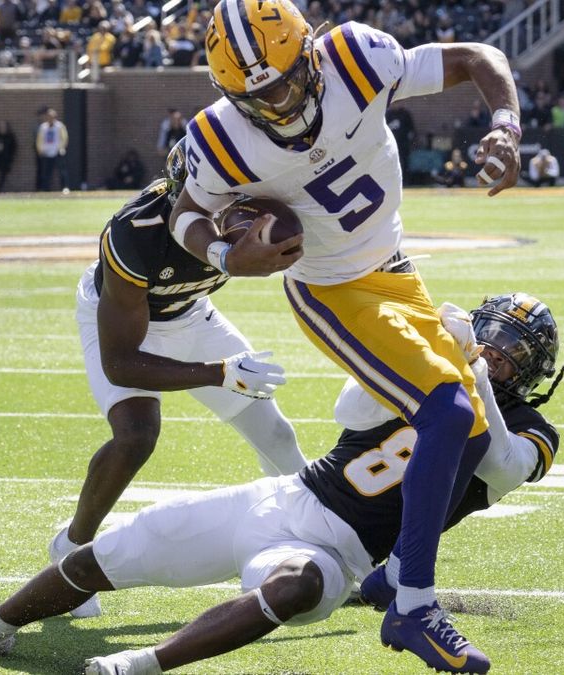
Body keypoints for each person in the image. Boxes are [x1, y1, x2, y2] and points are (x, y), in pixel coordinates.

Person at [0, 291, 564, 675]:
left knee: (296, 586)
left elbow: (500, 465)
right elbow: (350, 412)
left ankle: (144, 664)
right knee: (127, 546)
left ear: (534, 373)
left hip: (341, 553)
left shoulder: (531, 430)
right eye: (494, 341)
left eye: (516, 354)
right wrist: (419, 356)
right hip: (288, 497)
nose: (500, 358)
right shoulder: (432, 372)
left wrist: (471, 376)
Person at [168, 3, 521, 671]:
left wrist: (505, 127)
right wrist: (222, 255)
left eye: (278, 83)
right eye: (252, 94)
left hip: (397, 270)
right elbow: (189, 214)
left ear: (308, 53)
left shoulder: (357, 56)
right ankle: (413, 607)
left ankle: (390, 576)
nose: (271, 103)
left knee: (472, 434)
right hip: (332, 290)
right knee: (445, 410)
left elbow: (480, 58)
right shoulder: (220, 135)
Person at [49, 139, 306, 618]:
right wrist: (219, 373)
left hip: (191, 314)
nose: (223, 205)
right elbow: (121, 362)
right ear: (179, 194)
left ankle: (316, 541)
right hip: (130, 324)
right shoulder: (134, 232)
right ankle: (72, 547)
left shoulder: (252, 206)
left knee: (276, 433)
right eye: (208, 193)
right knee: (136, 436)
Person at [35, 108, 68, 192]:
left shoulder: (59, 126)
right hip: (46, 153)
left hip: (57, 152)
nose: (50, 118)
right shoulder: (43, 127)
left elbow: (64, 138)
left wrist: (61, 148)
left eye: (52, 116)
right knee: (46, 173)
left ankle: (64, 187)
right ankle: (46, 189)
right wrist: (40, 150)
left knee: (62, 171)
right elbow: (39, 139)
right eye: (49, 116)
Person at [0, 120, 17, 192]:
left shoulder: (10, 137)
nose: (2, 128)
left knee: (3, 173)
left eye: (4, 127)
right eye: (1, 127)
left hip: (6, 158)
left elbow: (13, 148)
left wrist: (10, 157)